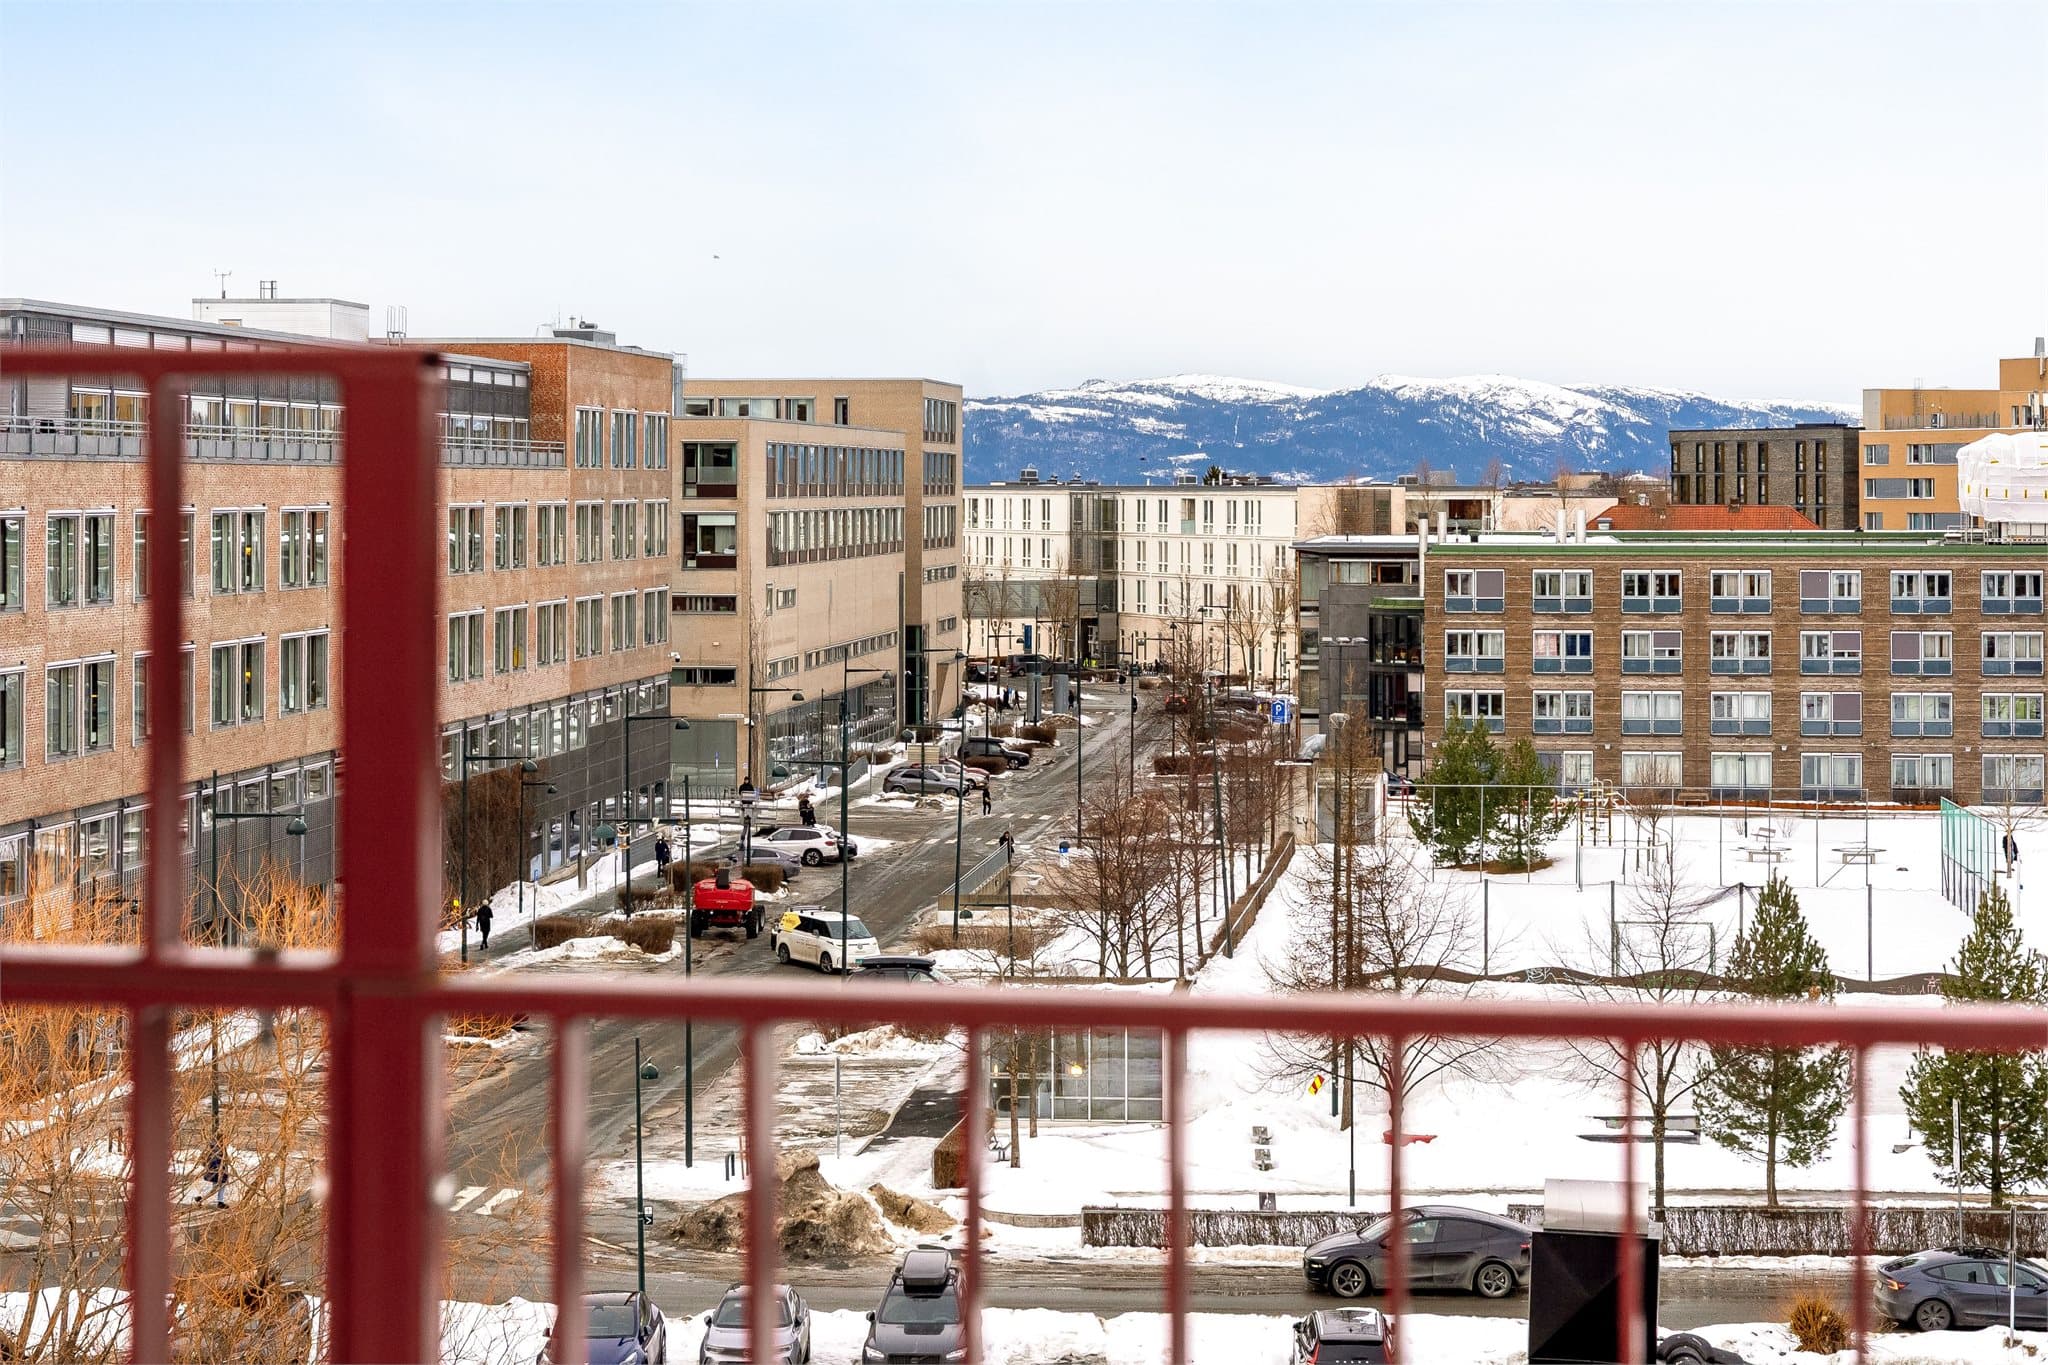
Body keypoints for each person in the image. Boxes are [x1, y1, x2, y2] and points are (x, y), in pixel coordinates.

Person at [201, 1140, 228, 1208]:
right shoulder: (220, 1150)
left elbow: (203, 1162)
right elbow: (224, 1160)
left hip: (213, 1171)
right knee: (220, 1186)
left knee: (215, 1187)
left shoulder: (210, 1149)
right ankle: (220, 1202)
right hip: (219, 1171)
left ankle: (201, 1198)